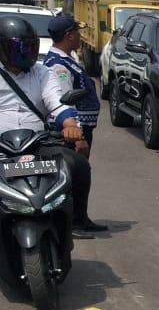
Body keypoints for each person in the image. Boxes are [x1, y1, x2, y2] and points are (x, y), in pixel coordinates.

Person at [0, 15, 105, 236]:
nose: (25, 52)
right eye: (20, 47)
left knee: (77, 165)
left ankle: (72, 221)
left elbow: (56, 101)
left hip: (36, 142)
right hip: (2, 146)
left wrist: (70, 124)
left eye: (30, 46)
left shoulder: (42, 72)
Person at [42, 13, 100, 158]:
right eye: (78, 32)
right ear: (69, 36)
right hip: (71, 134)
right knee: (74, 175)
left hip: (77, 131)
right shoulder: (58, 65)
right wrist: (79, 138)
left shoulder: (66, 59)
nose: (81, 36)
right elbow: (65, 102)